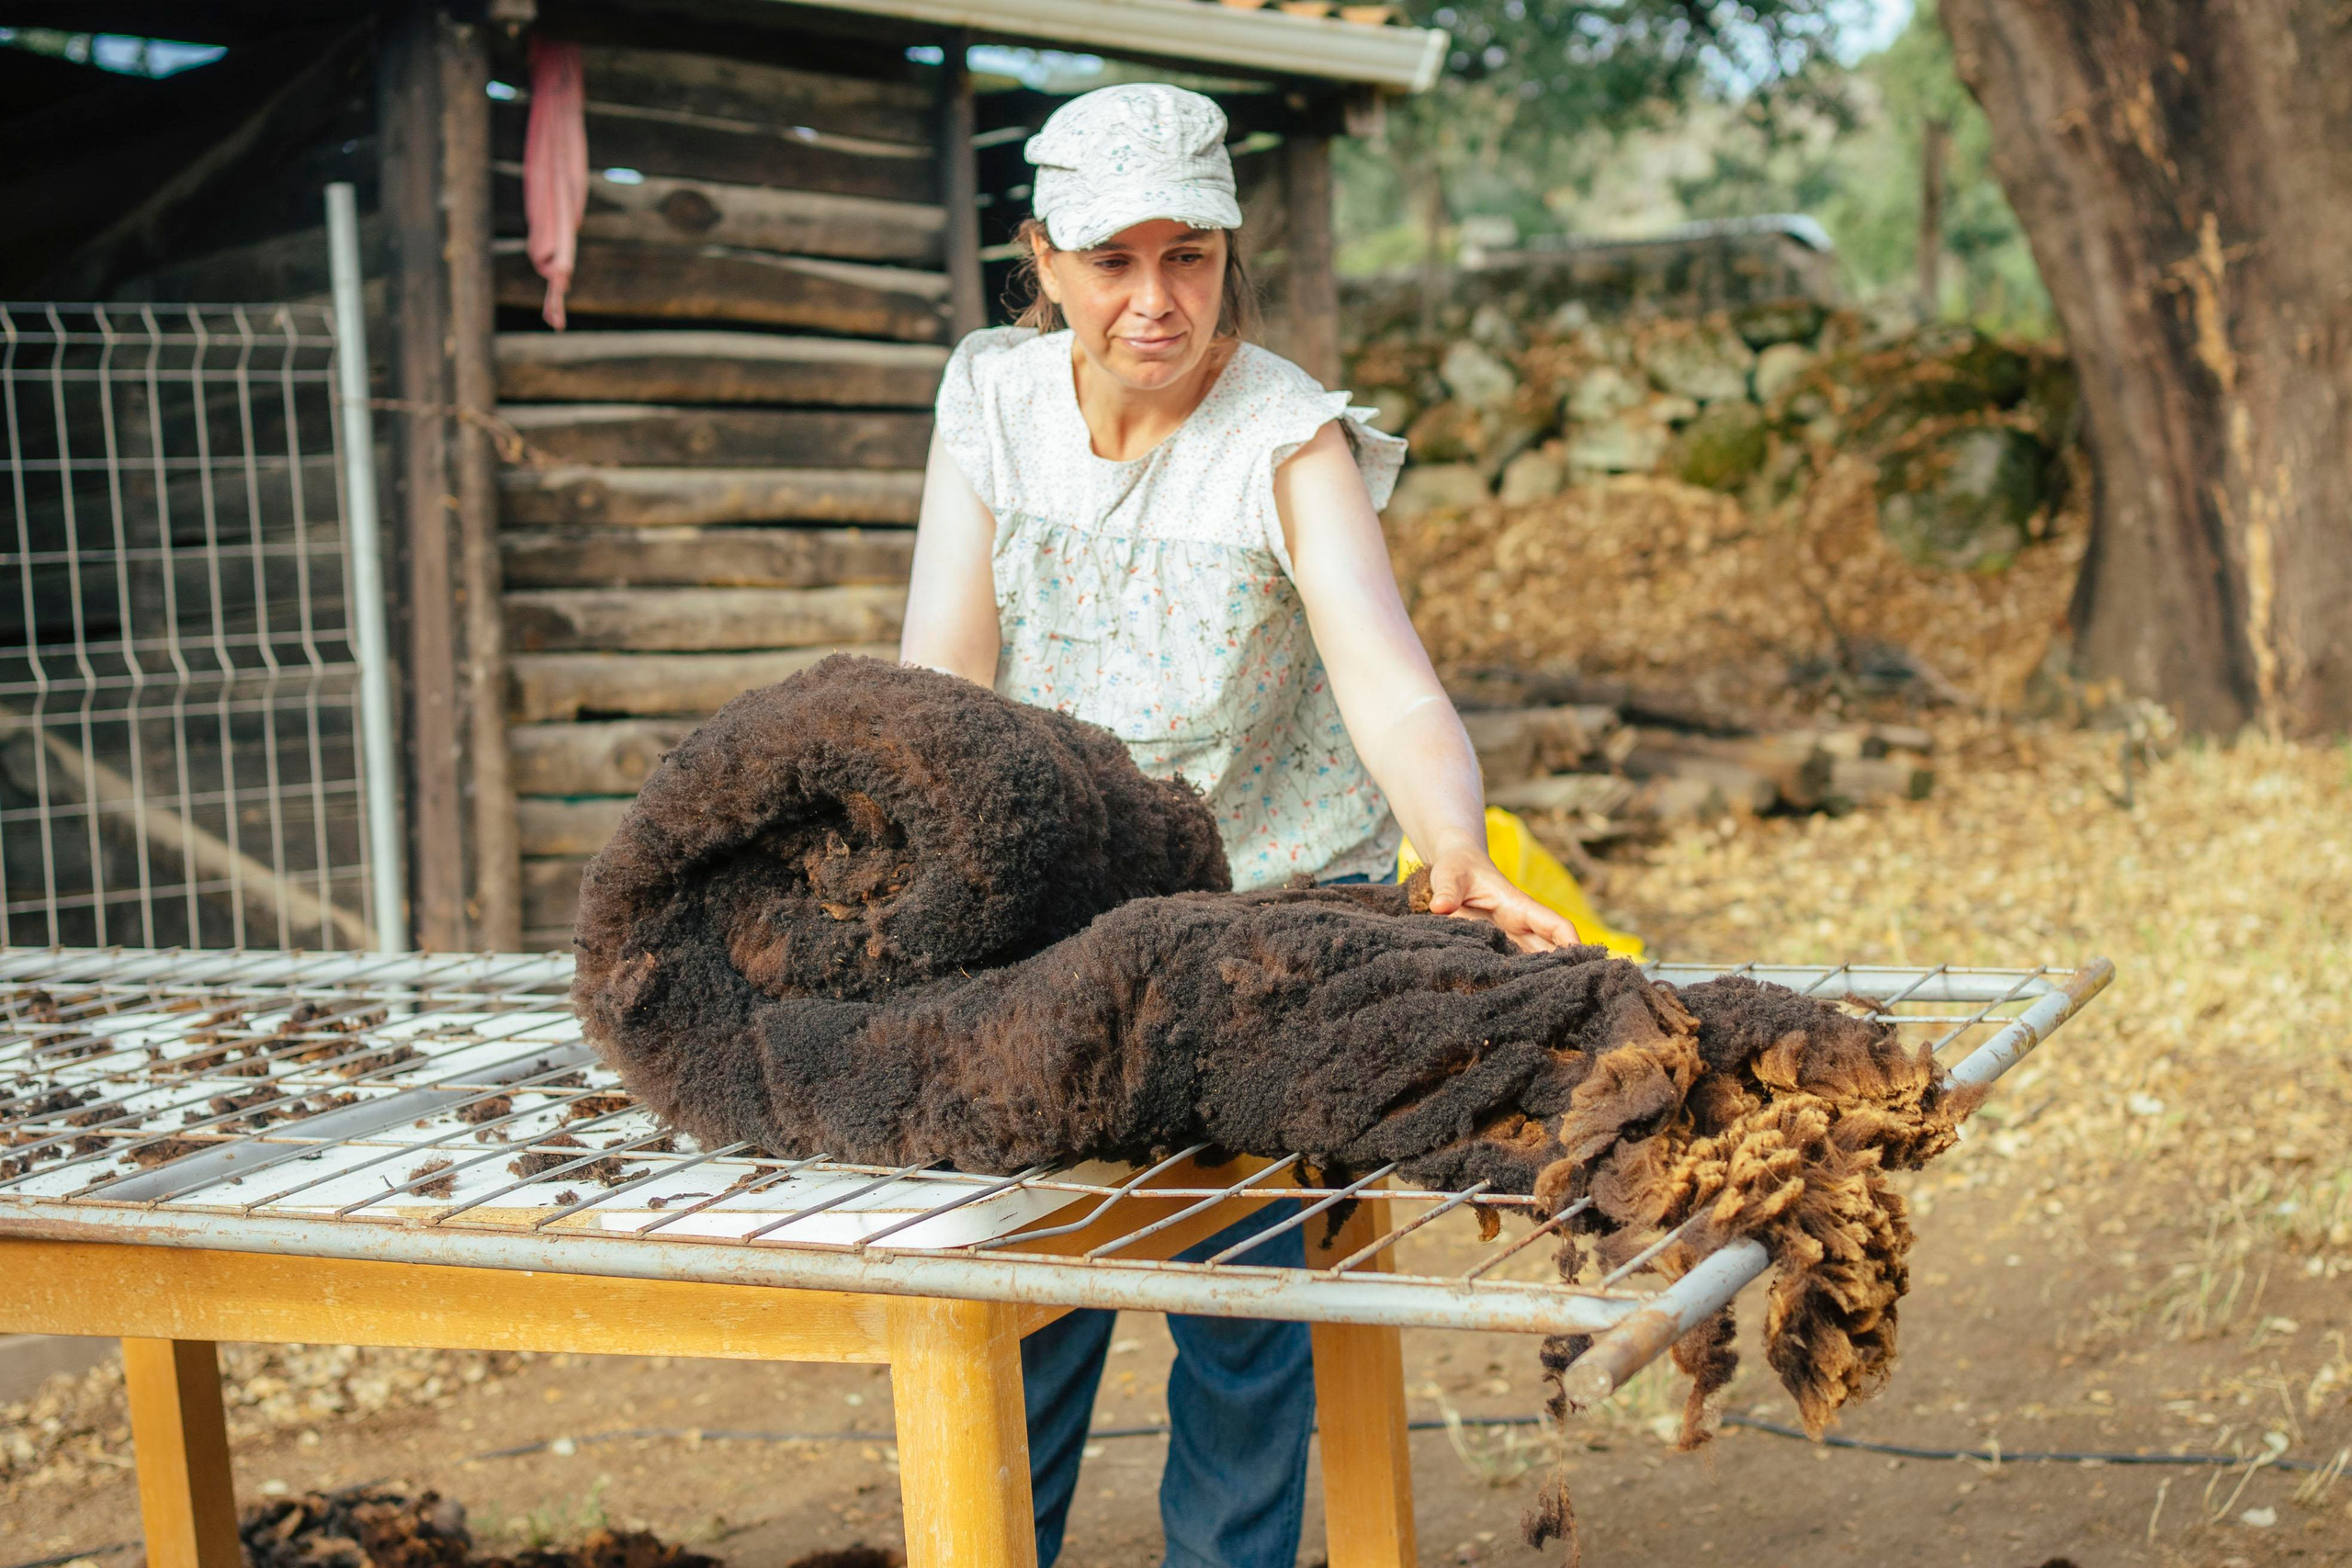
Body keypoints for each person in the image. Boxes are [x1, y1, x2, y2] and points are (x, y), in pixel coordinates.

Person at [898, 82, 1579, 1568]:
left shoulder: (1287, 435)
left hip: (1272, 909)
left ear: (1227, 252)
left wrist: (1448, 845)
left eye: (1188, 257)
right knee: (1027, 1277)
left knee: (1241, 1290)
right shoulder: (992, 405)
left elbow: (1388, 680)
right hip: (1068, 907)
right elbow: (942, 679)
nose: (1156, 302)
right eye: (1114, 262)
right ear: (1043, 260)